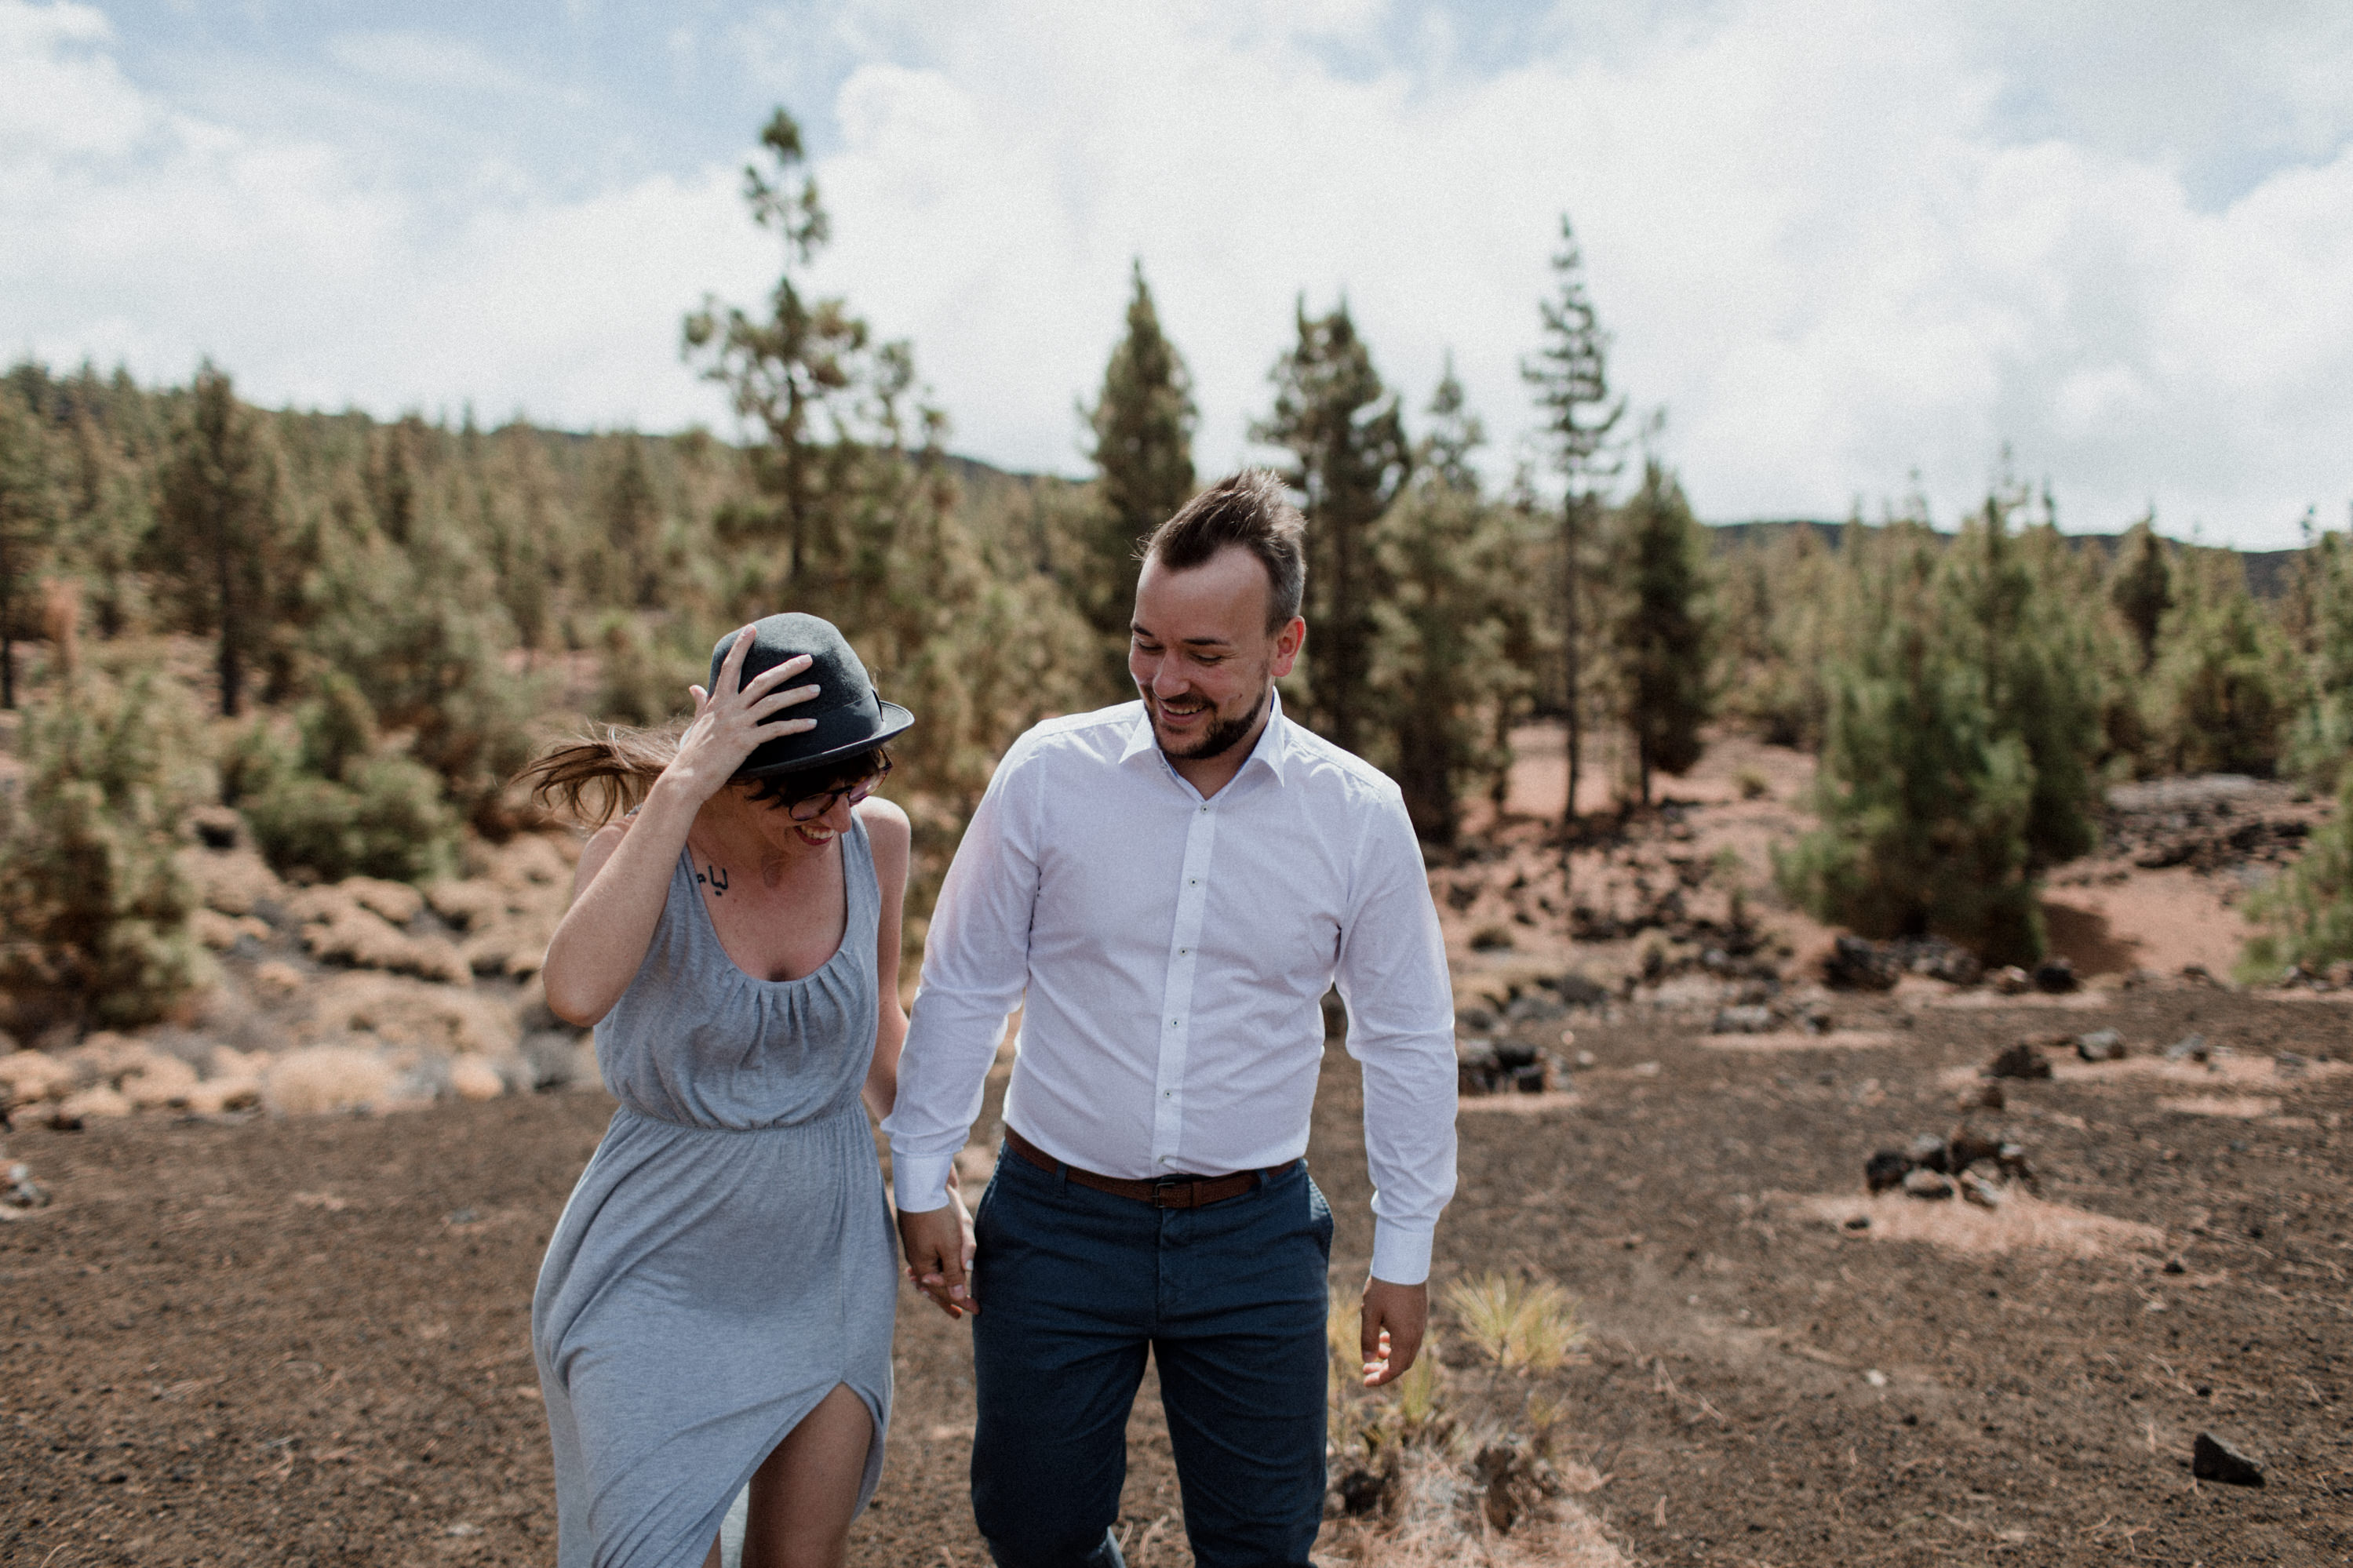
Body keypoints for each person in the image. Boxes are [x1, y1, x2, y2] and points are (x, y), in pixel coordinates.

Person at [886, 471, 1459, 1568]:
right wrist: (918, 1175)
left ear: (1283, 645)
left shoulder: (1357, 815)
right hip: (1053, 1225)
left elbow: (1404, 1039)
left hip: (1253, 1239)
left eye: (1205, 653)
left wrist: (1405, 1247)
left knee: (1260, 1542)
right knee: (1034, 1529)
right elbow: (963, 982)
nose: (1166, 679)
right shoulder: (1050, 774)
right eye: (1147, 643)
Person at [525, 613, 915, 1568]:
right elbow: (573, 991)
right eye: (803, 794)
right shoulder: (639, 853)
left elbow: (881, 1035)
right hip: (658, 1258)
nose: (836, 813)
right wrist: (680, 789)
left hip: (826, 1256)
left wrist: (934, 1179)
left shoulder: (876, 842)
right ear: (729, 769)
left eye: (857, 777)